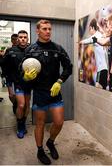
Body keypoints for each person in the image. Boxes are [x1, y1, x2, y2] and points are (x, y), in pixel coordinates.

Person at [23, 19, 72, 165]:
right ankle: (40, 150)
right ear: (37, 31)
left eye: (49, 29)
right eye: (44, 29)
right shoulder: (30, 50)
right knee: (40, 124)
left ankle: (50, 142)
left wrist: (60, 81)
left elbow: (68, 67)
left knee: (59, 122)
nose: (48, 31)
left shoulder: (57, 48)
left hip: (55, 91)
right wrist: (25, 77)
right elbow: (21, 69)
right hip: (39, 93)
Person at [4, 30, 31, 139]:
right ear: (17, 39)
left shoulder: (31, 50)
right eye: (21, 37)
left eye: (25, 37)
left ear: (27, 39)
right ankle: (20, 126)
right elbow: (6, 69)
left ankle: (23, 123)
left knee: (27, 105)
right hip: (18, 83)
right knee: (21, 105)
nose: (23, 39)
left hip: (29, 83)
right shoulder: (11, 51)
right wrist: (9, 86)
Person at [80, 18, 108, 89]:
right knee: (101, 88)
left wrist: (80, 42)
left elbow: (88, 40)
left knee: (98, 87)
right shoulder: (100, 35)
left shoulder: (95, 37)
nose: (89, 31)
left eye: (90, 29)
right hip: (104, 68)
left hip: (101, 69)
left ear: (93, 28)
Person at [7, 34, 19, 114]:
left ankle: (17, 105)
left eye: (16, 39)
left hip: (18, 76)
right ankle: (15, 103)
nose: (15, 41)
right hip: (9, 76)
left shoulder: (21, 50)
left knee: (18, 94)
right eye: (13, 39)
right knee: (11, 95)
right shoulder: (9, 50)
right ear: (11, 40)